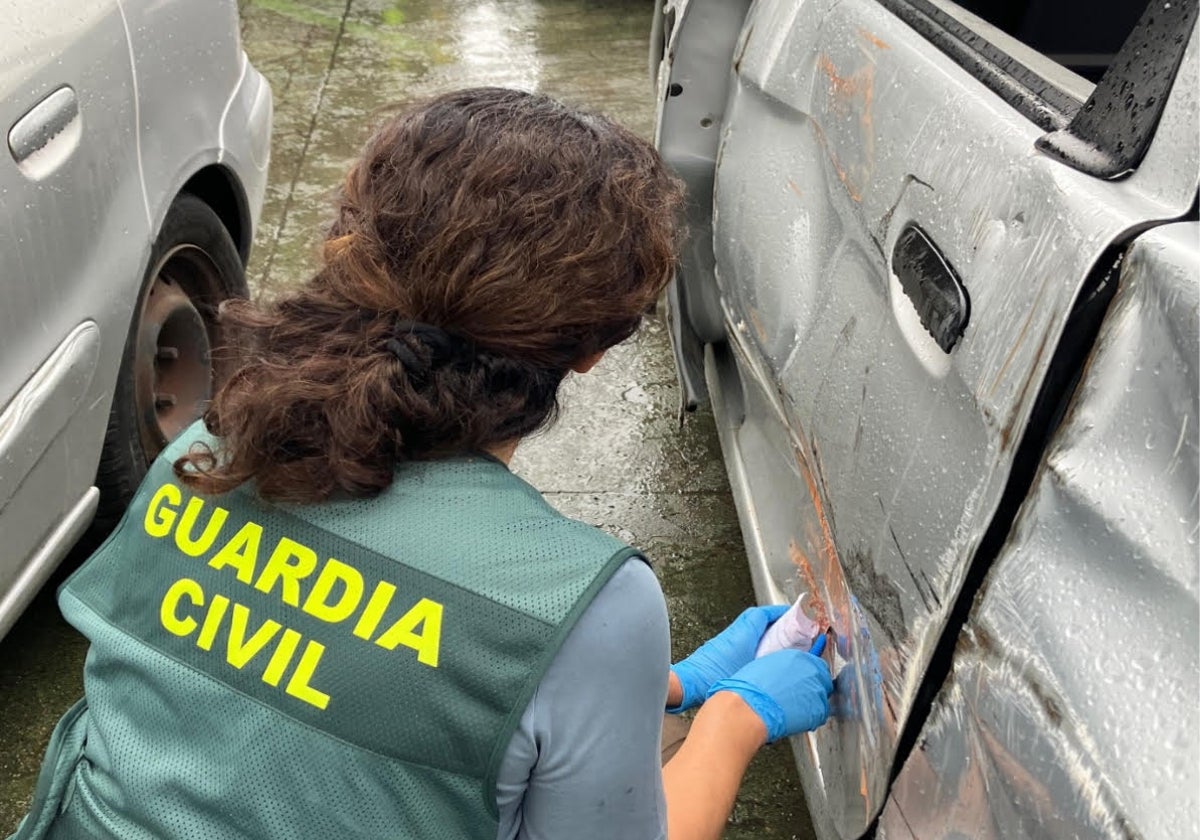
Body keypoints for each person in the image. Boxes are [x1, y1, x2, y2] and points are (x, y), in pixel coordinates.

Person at [9, 88, 833, 840]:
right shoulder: (587, 605)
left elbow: (315, 690)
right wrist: (734, 719)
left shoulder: (208, 455)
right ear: (590, 350)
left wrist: (660, 687)